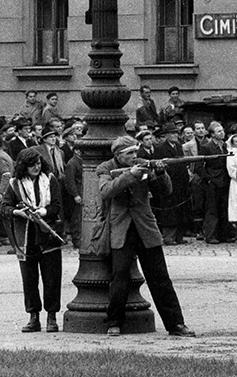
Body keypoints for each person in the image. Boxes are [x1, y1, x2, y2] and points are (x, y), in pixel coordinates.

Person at [97, 136, 195, 338]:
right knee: (119, 277)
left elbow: (165, 191)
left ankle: (175, 324)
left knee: (160, 277)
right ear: (118, 155)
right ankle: (114, 322)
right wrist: (130, 176)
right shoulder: (105, 168)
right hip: (121, 228)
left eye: (136, 152)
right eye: (130, 153)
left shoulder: (144, 165)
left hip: (145, 227)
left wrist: (160, 172)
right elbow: (106, 191)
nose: (135, 156)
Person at [1, 148, 65, 333]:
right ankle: (33, 317)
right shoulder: (14, 184)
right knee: (29, 279)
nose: (36, 168)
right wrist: (18, 212)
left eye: (38, 164)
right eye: (31, 165)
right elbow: (5, 207)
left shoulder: (50, 179)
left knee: (52, 278)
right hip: (26, 237)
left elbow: (57, 206)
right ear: (23, 166)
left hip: (48, 236)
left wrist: (44, 212)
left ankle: (51, 317)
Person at [155, 122, 192, 245]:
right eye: (172, 133)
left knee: (180, 209)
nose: (175, 135)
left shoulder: (178, 145)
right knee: (169, 210)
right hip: (170, 182)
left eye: (176, 133)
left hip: (181, 182)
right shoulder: (161, 148)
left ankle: (178, 236)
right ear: (165, 135)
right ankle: (169, 237)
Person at [200, 121, 229, 244]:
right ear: (212, 134)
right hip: (213, 181)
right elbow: (199, 166)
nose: (222, 133)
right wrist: (209, 178)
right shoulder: (206, 147)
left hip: (224, 180)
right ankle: (211, 235)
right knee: (212, 209)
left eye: (222, 130)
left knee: (223, 207)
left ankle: (224, 234)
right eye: (218, 131)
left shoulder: (226, 146)